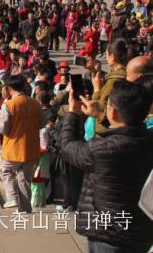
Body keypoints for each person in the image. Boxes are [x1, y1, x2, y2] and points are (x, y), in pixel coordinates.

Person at [63, 82, 153, 253]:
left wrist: (72, 113)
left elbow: (68, 148)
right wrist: (99, 116)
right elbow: (127, 132)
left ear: (113, 111)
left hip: (110, 236)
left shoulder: (102, 149)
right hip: (142, 230)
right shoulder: (148, 140)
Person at [0, 74, 44, 212]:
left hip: (13, 147)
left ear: (10, 89)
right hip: (31, 147)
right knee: (24, 179)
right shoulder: (35, 103)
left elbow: (2, 128)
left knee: (7, 171)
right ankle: (25, 209)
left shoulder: (9, 105)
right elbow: (42, 122)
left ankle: (11, 198)